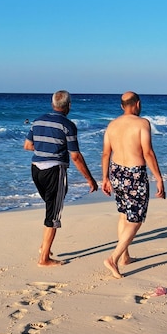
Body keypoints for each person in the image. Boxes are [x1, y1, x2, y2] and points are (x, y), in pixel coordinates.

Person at [24, 90, 98, 266]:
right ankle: (44, 259)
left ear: (52, 104)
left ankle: (44, 247)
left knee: (50, 208)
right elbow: (75, 156)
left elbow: (27, 146)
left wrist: (44, 148)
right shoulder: (68, 125)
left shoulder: (38, 120)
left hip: (36, 169)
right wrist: (90, 179)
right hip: (54, 171)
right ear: (69, 106)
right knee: (54, 214)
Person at [102, 91, 165, 279]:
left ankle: (125, 257)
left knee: (123, 215)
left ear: (122, 106)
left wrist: (104, 177)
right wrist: (159, 178)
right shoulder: (142, 123)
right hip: (134, 173)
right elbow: (148, 153)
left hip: (115, 171)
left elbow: (106, 153)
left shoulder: (112, 125)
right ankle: (113, 258)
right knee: (135, 219)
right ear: (137, 104)